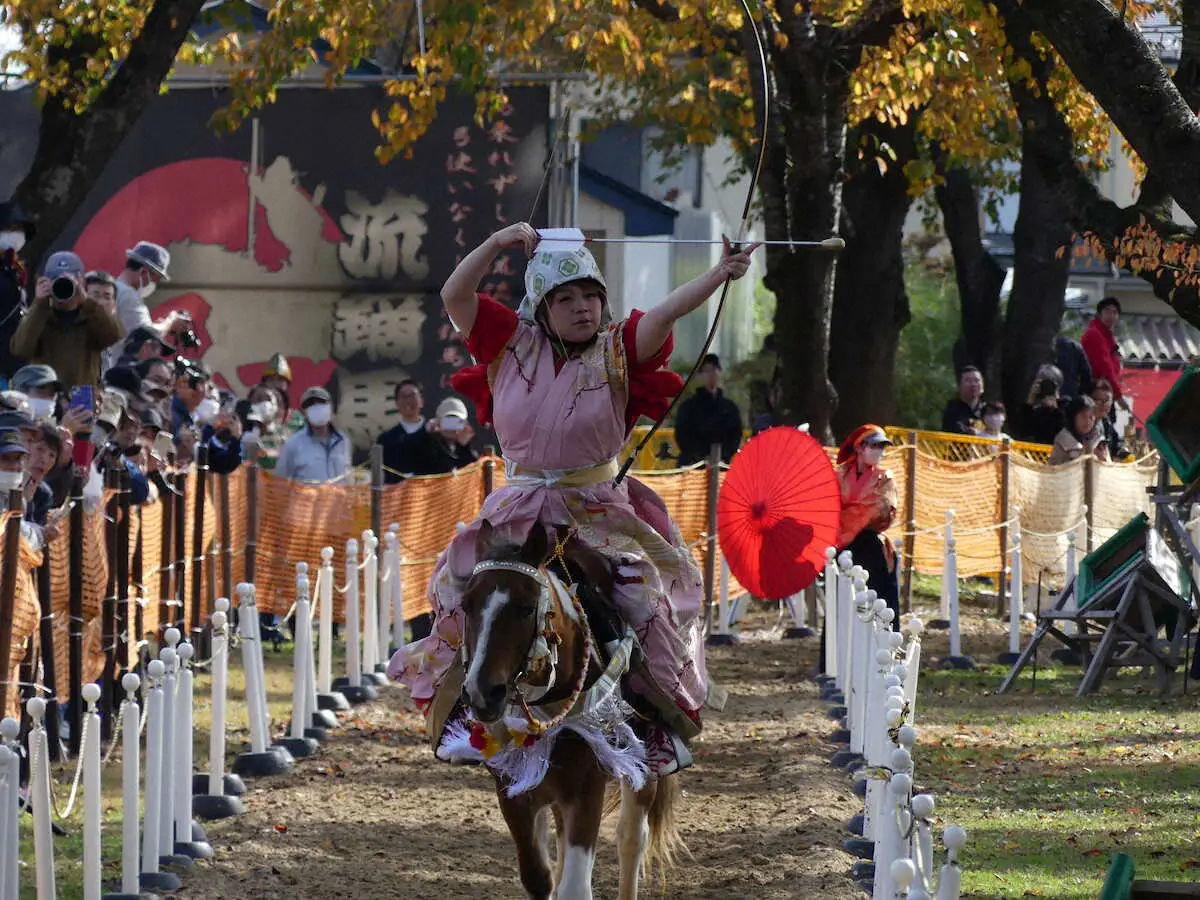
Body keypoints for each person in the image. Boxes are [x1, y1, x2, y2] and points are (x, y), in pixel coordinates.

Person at [389, 222, 759, 776]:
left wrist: (719, 273)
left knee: (646, 596)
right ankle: (467, 714)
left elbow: (662, 315)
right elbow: (453, 295)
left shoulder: (616, 350)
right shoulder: (509, 341)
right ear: (541, 305)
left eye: (591, 295)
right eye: (566, 298)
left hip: (596, 509)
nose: (582, 307)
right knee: (455, 583)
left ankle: (654, 722)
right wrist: (494, 245)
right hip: (517, 509)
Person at [10, 252, 124, 389]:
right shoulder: (39, 316)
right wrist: (39, 305)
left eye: (68, 280)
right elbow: (21, 349)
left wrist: (86, 301)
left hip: (81, 397)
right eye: (55, 279)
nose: (62, 285)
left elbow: (112, 336)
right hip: (47, 395)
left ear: (81, 281)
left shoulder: (91, 315)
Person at [835, 425, 899, 622]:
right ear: (859, 447)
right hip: (842, 545)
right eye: (874, 445)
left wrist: (848, 514)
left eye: (882, 447)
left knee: (880, 604)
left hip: (871, 544)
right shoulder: (838, 474)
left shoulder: (885, 477)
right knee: (842, 604)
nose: (879, 451)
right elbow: (827, 505)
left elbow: (883, 507)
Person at [674, 353, 743, 466]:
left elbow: (735, 435)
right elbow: (683, 435)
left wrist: (723, 456)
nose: (712, 374)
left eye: (715, 369)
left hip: (721, 465)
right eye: (707, 370)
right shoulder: (688, 407)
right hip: (693, 467)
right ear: (700, 375)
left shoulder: (729, 408)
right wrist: (700, 456)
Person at [387, 396, 479, 479]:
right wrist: (428, 435)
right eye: (448, 421)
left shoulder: (466, 449)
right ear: (438, 422)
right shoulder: (426, 446)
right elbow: (441, 467)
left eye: (457, 422)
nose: (452, 427)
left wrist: (465, 446)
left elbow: (471, 469)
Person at [274, 386, 351, 482]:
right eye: (310, 404)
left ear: (330, 407)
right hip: (306, 497)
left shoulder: (343, 440)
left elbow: (347, 475)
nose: (316, 407)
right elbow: (280, 481)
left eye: (321, 402)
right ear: (304, 412)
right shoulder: (293, 444)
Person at [0, 202, 35, 379]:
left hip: (17, 356)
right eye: (9, 228)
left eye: (19, 229)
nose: (15, 234)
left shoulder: (18, 268)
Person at [1080, 297, 1128, 412]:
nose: (1111, 315)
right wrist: (1119, 398)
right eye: (1107, 311)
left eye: (1114, 312)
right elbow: (1105, 368)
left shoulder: (1108, 338)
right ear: (1099, 314)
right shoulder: (1094, 334)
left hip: (1105, 395)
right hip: (1095, 397)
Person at [378, 379, 429, 484]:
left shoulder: (433, 435)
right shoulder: (386, 439)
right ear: (396, 403)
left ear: (422, 401)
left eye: (412, 396)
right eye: (403, 396)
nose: (408, 401)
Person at [1049, 394, 1107, 465]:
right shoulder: (1062, 439)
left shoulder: (1099, 439)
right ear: (1073, 417)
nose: (1088, 421)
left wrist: (1103, 460)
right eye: (1083, 416)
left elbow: (1108, 467)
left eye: (1091, 417)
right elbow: (1055, 469)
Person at [1090, 378, 1129, 461]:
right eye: (1099, 401)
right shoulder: (1083, 423)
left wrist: (1122, 452)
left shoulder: (1106, 423)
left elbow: (1116, 443)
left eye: (1107, 400)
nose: (1104, 405)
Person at [941, 366, 985, 435]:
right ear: (959, 387)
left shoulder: (987, 410)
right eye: (968, 381)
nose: (973, 384)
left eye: (977, 380)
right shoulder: (952, 409)